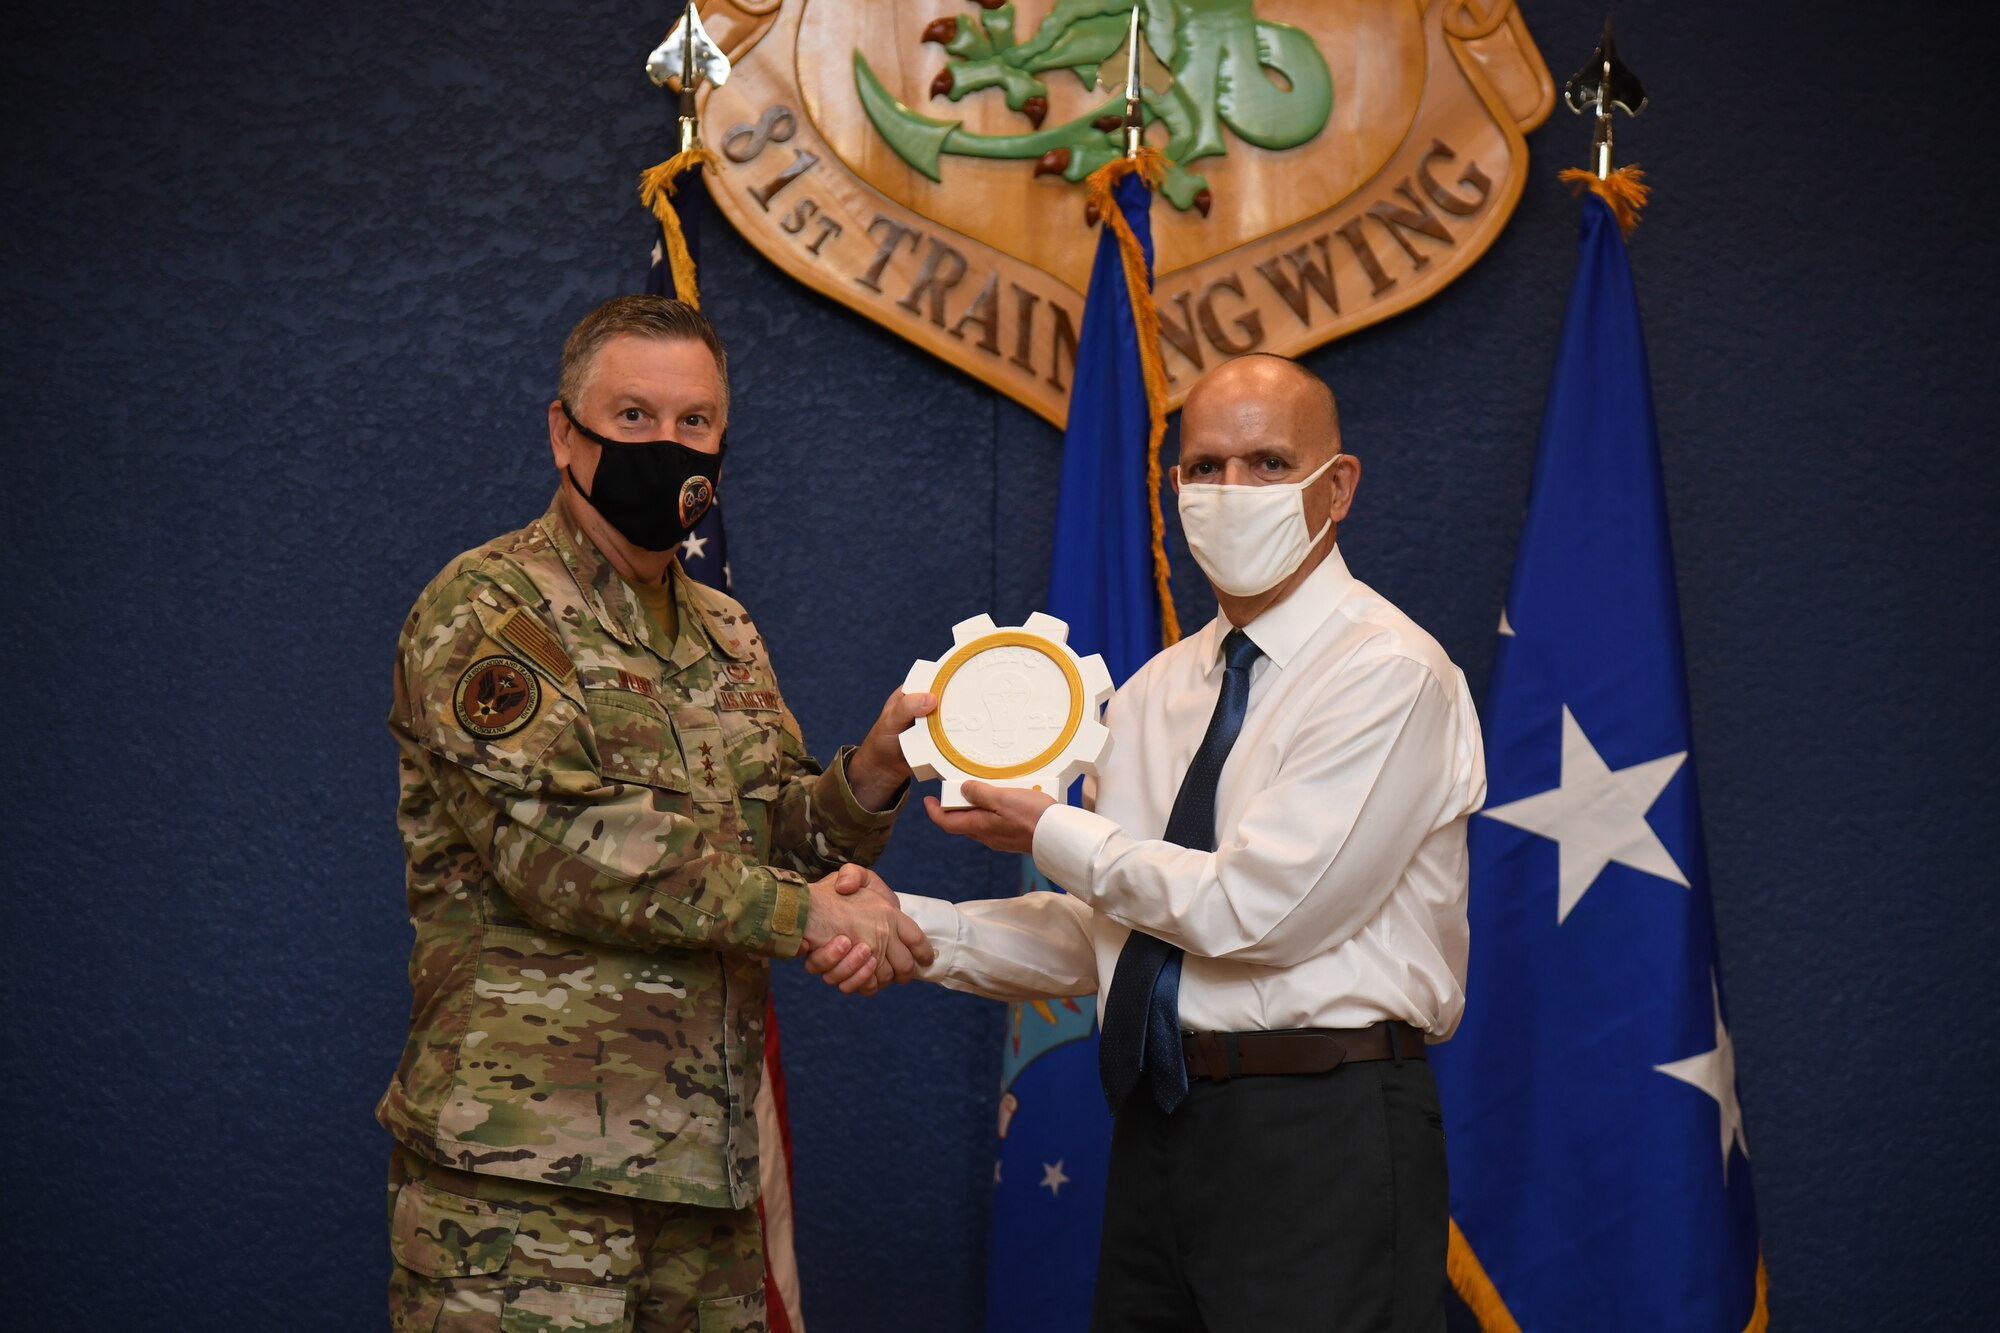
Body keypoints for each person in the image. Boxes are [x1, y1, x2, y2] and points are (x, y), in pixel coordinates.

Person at [811, 355, 1487, 1332]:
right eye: (1202, 467)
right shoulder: (1153, 692)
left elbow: (1257, 909)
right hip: (1160, 1126)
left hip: (1322, 1127)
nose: (1230, 492)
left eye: (1265, 462)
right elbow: (1121, 933)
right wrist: (905, 926)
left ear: (1335, 487)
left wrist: (1047, 824)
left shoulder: (1388, 674)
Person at [377, 294, 933, 1333]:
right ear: (563, 431)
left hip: (702, 1181)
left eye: (693, 423)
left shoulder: (723, 626)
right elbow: (566, 850)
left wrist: (869, 772)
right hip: (525, 1186)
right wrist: (812, 917)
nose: (664, 445)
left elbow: (771, 843)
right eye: (631, 416)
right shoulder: (490, 608)